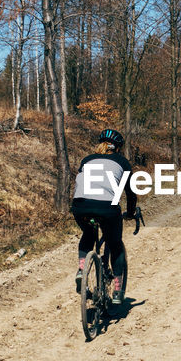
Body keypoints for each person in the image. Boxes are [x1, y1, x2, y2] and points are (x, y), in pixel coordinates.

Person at [71, 128, 137, 306]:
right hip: (107, 207)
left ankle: (82, 268)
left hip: (80, 205)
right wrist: (131, 213)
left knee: (89, 233)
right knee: (115, 244)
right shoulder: (122, 162)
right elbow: (131, 193)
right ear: (117, 148)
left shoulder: (87, 159)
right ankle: (117, 290)